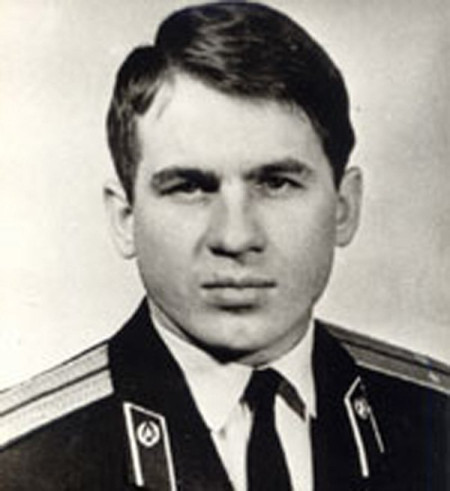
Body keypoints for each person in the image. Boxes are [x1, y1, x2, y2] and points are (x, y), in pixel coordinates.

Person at [0, 2, 448, 490]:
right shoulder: (22, 464)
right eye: (190, 187)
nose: (235, 238)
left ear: (344, 207)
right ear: (125, 218)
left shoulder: (433, 423)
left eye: (276, 183)